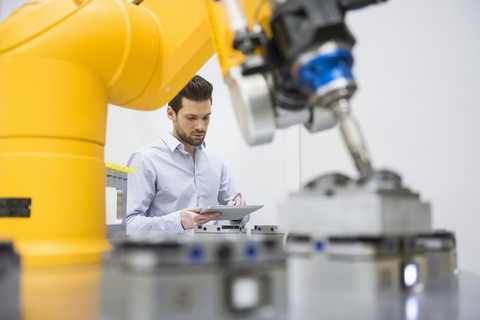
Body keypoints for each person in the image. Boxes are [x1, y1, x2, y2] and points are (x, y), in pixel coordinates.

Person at [126, 75, 249, 236]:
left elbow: (237, 209)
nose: (200, 126)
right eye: (191, 118)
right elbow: (128, 225)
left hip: (212, 259)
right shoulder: (146, 159)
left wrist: (238, 215)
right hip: (167, 259)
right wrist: (178, 222)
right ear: (171, 114)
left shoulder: (215, 161)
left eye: (206, 117)